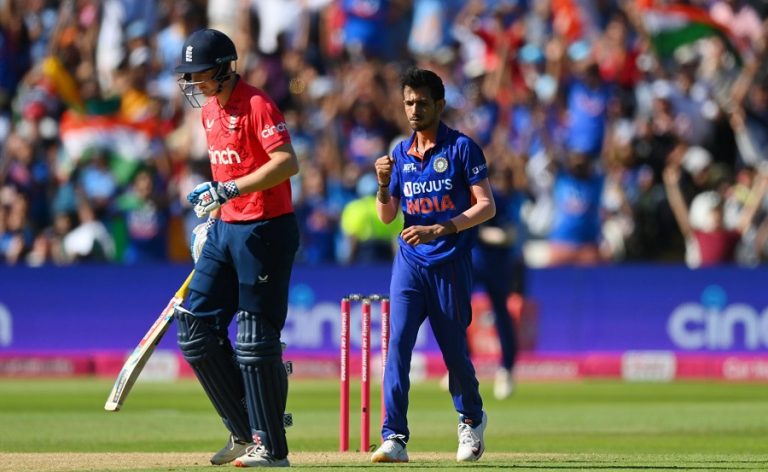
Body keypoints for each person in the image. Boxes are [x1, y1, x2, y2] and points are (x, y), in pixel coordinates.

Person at [174, 28, 300, 467]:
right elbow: (225, 174)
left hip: (266, 229)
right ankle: (245, 432)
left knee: (254, 339)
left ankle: (272, 447)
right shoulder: (210, 111)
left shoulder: (257, 104)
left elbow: (286, 162)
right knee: (194, 330)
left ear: (224, 69)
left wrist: (228, 190)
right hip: (226, 228)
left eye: (199, 73)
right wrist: (213, 213)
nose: (194, 82)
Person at [371, 67, 496, 463]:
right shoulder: (399, 153)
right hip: (410, 263)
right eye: (409, 103)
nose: (414, 109)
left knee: (454, 352)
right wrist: (382, 185)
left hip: (449, 263)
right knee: (398, 346)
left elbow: (486, 206)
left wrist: (442, 228)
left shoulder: (462, 148)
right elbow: (387, 216)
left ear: (439, 105)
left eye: (422, 103)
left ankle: (471, 419)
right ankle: (394, 436)